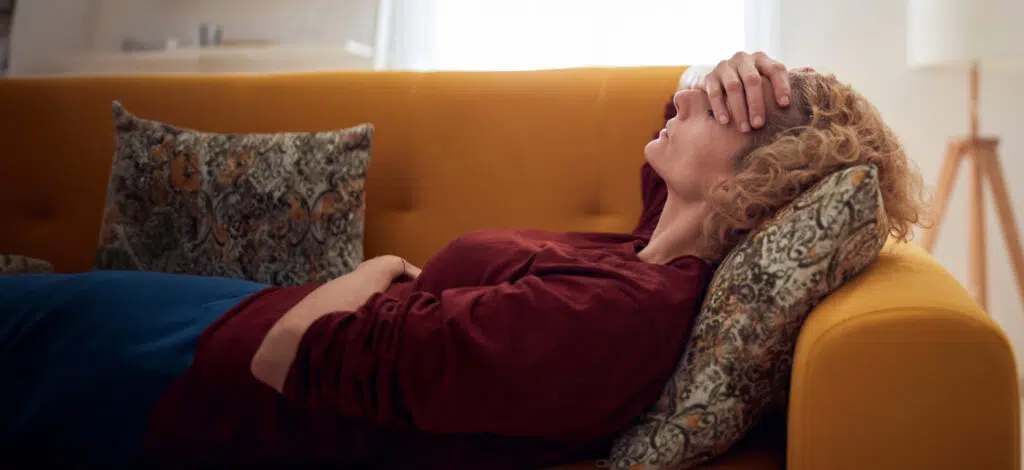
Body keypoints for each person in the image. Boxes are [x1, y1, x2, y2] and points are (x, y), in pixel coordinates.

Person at [0, 51, 924, 469]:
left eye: (730, 112)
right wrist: (726, 75)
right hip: (213, 323)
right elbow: (673, 127)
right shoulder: (653, 252)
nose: (692, 102)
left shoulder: (613, 318)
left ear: (749, 183)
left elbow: (289, 358)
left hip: (194, 376)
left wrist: (376, 269)